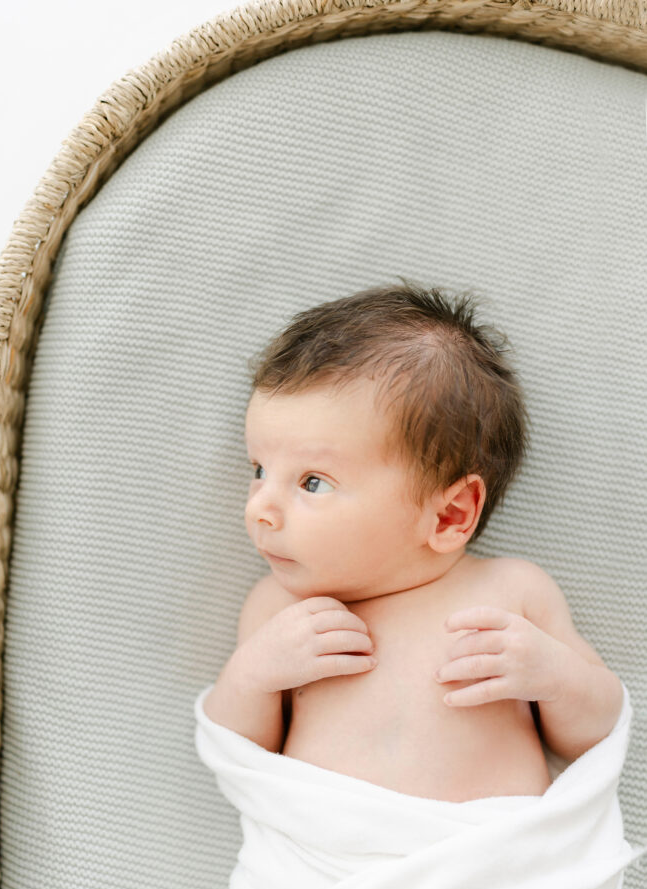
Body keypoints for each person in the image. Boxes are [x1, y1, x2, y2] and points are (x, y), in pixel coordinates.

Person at [202, 278, 624, 801]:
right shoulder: (278, 609)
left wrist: (555, 677)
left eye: (312, 482)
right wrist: (250, 677)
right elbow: (239, 754)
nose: (259, 508)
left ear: (448, 515)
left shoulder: (513, 591)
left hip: (489, 862)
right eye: (260, 469)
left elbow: (596, 734)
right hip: (329, 868)